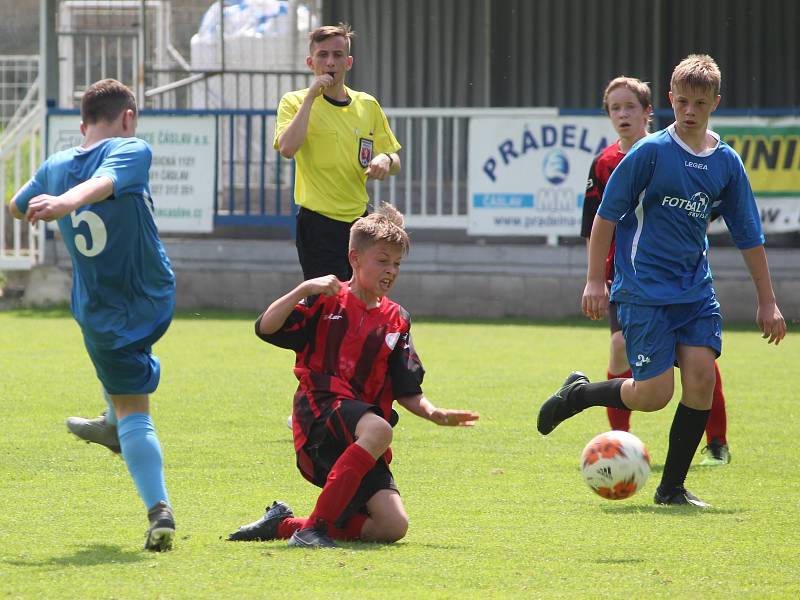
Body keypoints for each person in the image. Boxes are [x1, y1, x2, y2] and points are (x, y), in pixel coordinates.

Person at [538, 55, 786, 507]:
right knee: (653, 395)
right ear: (670, 100)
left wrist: (767, 301)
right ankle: (581, 394)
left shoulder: (726, 163)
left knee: (701, 380)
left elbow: (749, 236)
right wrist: (596, 280)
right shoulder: (649, 152)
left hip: (695, 291)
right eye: (683, 102)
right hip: (644, 290)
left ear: (715, 103)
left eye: (700, 103)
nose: (690, 111)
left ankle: (671, 489)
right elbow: (605, 218)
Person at [228, 203, 479, 547]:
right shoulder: (326, 301)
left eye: (397, 263)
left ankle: (285, 524)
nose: (391, 270)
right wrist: (304, 289)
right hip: (320, 414)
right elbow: (265, 326)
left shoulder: (397, 319)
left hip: (362, 435)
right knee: (379, 427)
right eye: (383, 261)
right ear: (355, 258)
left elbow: (407, 387)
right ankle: (312, 532)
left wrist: (434, 413)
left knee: (392, 526)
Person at [8, 79, 177, 550]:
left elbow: (18, 206)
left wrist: (61, 198)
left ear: (82, 125)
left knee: (134, 411)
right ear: (128, 116)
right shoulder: (133, 146)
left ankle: (158, 509)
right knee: (122, 384)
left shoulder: (58, 165)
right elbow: (106, 180)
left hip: (107, 310)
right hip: (151, 292)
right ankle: (109, 420)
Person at [581, 76, 731, 466]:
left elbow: (705, 211)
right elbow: (594, 224)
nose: (623, 115)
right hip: (628, 281)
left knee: (700, 364)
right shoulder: (605, 163)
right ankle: (621, 444)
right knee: (619, 352)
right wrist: (595, 278)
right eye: (615, 108)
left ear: (650, 111)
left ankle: (717, 441)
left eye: (630, 106)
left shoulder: (680, 155)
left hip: (683, 283)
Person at [274, 22, 402, 282]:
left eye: (337, 55)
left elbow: (396, 159)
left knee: (362, 298)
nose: (330, 62)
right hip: (317, 222)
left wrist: (385, 158)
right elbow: (287, 148)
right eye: (323, 55)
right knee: (327, 303)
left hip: (360, 224)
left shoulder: (367, 105)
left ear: (349, 62)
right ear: (311, 62)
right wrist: (311, 97)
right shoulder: (295, 101)